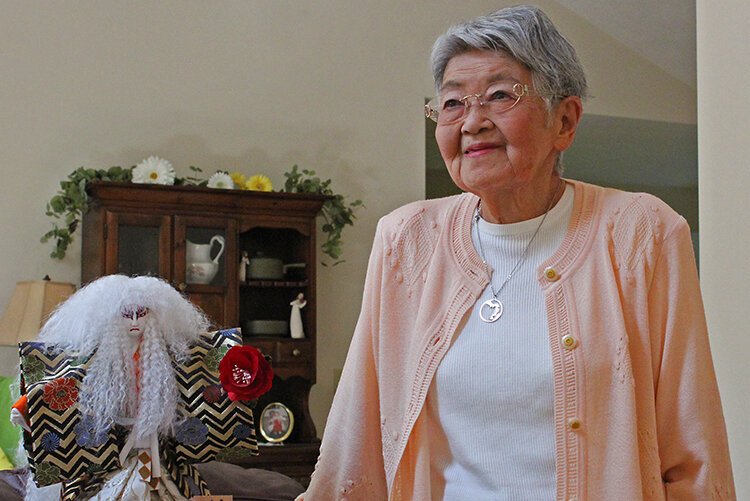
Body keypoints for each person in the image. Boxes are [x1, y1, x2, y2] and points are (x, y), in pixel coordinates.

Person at [300, 5, 735, 500]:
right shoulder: (406, 240)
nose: (471, 123)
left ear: (565, 121)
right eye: (451, 103)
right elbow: (356, 439)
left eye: (500, 96)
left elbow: (694, 451)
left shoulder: (642, 234)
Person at [15, 274, 210, 500]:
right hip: (102, 457)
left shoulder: (167, 361)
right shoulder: (92, 362)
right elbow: (54, 390)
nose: (135, 321)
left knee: (155, 488)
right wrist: (23, 409)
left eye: (142, 314)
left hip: (153, 454)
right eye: (127, 315)